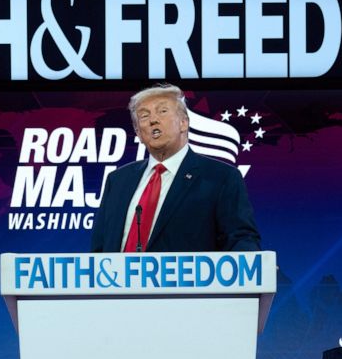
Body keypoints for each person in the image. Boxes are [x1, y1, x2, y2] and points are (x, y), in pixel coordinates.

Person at [90, 83, 261, 252]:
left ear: (184, 123)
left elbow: (240, 239)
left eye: (163, 111)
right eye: (144, 116)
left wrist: (254, 261)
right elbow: (99, 248)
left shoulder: (221, 177)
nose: (153, 120)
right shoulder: (118, 180)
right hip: (118, 271)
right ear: (138, 133)